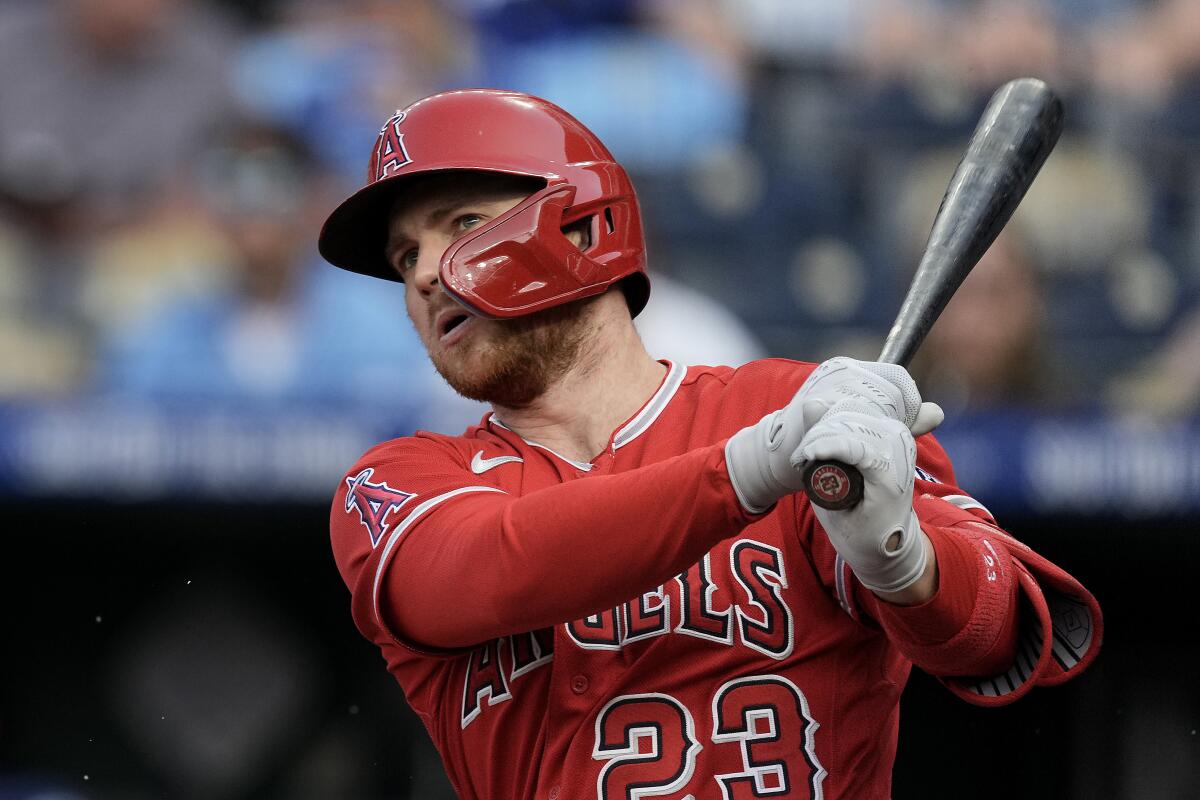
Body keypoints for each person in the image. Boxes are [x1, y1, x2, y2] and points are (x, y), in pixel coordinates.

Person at [318, 89, 1102, 799]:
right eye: (404, 257)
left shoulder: (799, 408)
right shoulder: (399, 481)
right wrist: (753, 468)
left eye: (461, 224)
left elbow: (995, 634)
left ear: (586, 225)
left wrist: (903, 560)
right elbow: (491, 567)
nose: (423, 275)